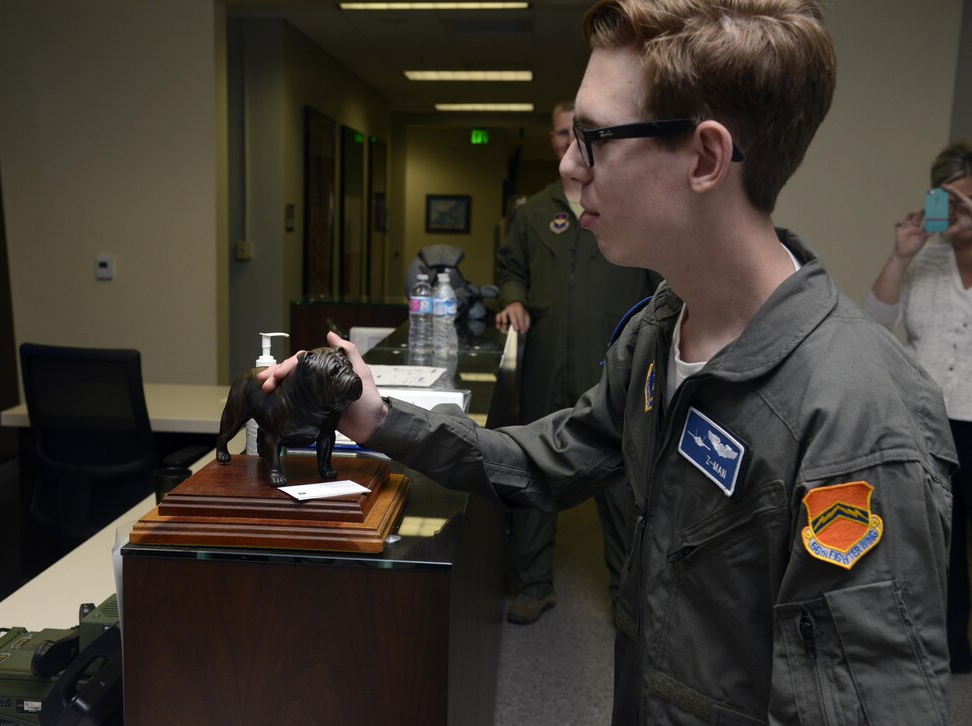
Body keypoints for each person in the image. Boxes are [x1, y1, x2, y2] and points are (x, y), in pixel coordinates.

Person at [263, 0, 956, 721]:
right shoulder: (658, 336)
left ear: (705, 157)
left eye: (595, 138)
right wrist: (377, 419)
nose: (568, 164)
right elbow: (545, 461)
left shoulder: (861, 417)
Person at [495, 98, 659, 624]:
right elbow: (510, 267)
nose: (569, 140)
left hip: (611, 365)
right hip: (547, 361)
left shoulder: (627, 208)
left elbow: (661, 285)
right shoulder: (534, 210)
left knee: (619, 484)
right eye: (561, 132)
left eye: (579, 132)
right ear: (552, 139)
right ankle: (534, 583)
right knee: (538, 471)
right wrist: (513, 296)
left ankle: (625, 595)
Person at [863, 142, 972, 673]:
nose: (957, 212)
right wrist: (902, 252)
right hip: (928, 424)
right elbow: (874, 325)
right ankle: (945, 652)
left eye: (967, 201)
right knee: (936, 546)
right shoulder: (924, 254)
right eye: (949, 200)